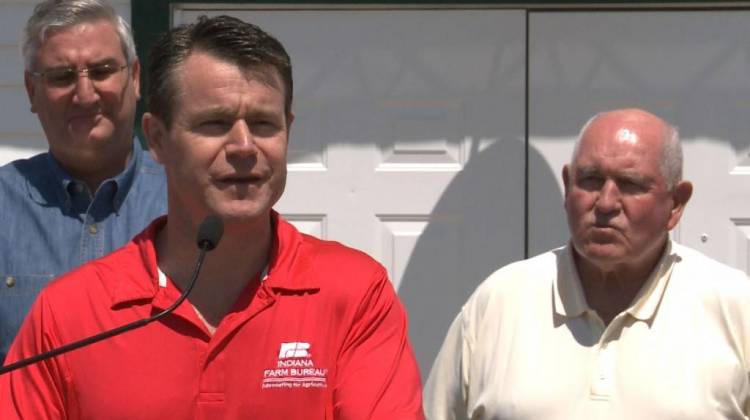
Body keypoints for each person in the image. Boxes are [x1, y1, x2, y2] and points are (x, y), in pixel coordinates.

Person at [0, 15, 424, 419]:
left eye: (263, 124)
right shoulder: (70, 313)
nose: (243, 145)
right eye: (215, 123)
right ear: (158, 139)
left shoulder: (354, 294)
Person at [425, 108, 750, 419]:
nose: (606, 203)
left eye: (630, 184)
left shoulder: (734, 307)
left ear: (676, 204)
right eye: (591, 180)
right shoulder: (499, 302)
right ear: (567, 187)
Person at [0, 0, 166, 363]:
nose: (86, 93)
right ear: (31, 91)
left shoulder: (187, 201)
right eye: (61, 76)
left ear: (135, 78)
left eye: (103, 70)